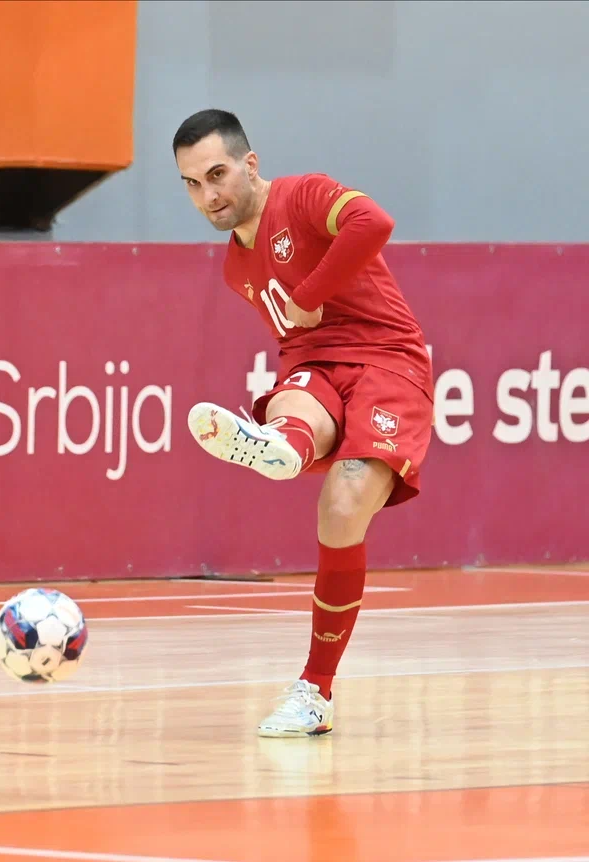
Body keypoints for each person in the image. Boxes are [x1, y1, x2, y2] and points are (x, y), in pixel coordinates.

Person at [172, 109, 434, 737]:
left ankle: (314, 692)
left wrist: (312, 292)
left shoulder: (305, 194)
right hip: (313, 364)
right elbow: (295, 340)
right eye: (191, 184)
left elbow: (376, 222)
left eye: (216, 174)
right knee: (291, 403)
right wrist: (298, 385)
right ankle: (282, 447)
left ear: (249, 164)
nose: (209, 196)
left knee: (341, 510)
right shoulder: (237, 267)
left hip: (387, 362)